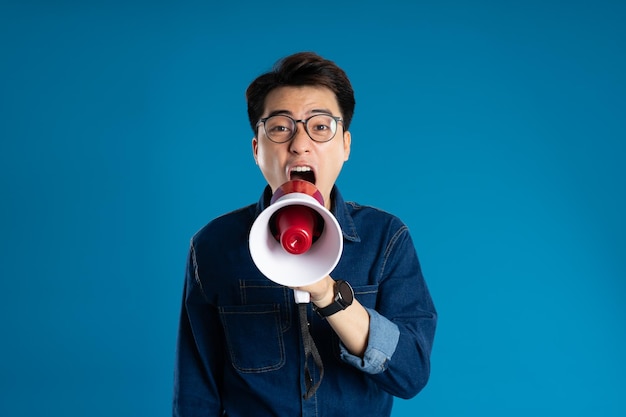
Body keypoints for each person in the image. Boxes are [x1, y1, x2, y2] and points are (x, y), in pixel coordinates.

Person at [173, 51, 437, 417]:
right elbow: (196, 392)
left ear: (345, 145)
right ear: (256, 150)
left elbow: (410, 373)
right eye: (280, 127)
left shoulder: (386, 239)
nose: (299, 143)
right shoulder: (214, 245)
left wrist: (328, 294)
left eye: (320, 126)